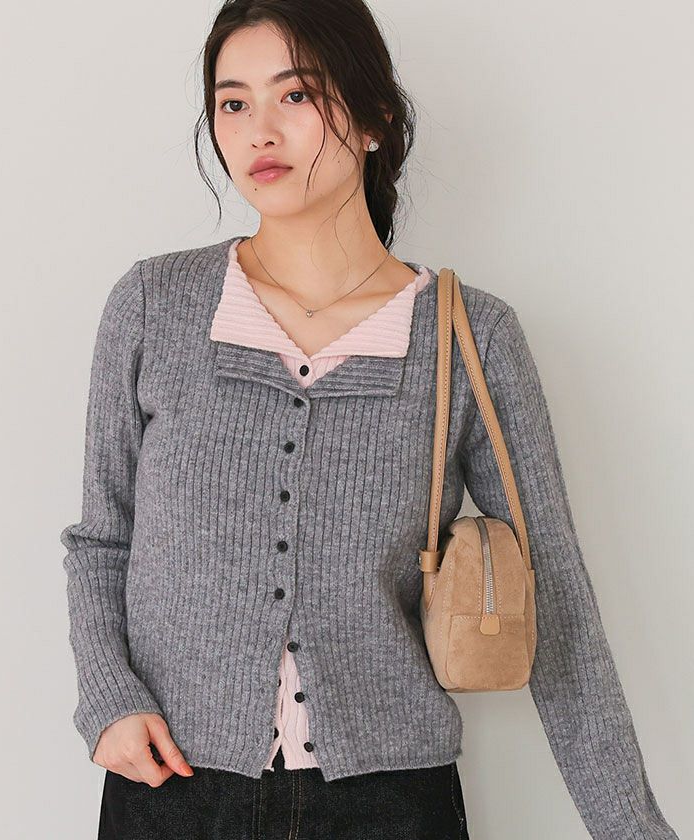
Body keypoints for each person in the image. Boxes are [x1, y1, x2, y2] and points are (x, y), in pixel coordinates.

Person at [60, 2, 679, 839]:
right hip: (171, 788)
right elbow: (104, 538)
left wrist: (632, 828)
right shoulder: (153, 305)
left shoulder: (469, 337)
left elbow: (552, 594)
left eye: (296, 94)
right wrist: (108, 700)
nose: (259, 130)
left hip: (390, 804)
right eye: (233, 102)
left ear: (376, 117)